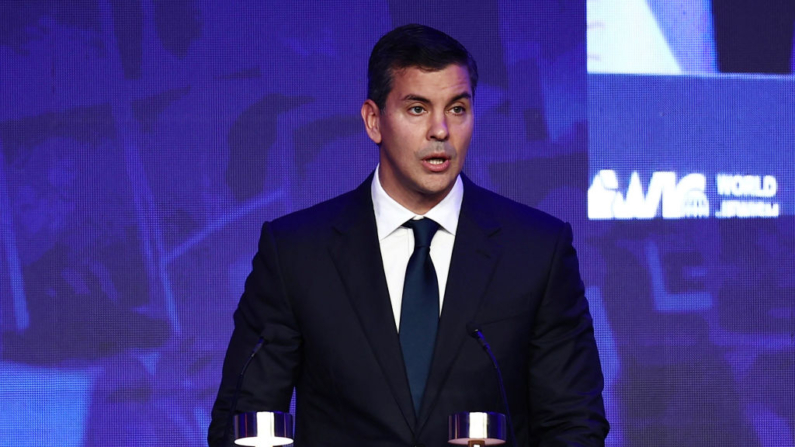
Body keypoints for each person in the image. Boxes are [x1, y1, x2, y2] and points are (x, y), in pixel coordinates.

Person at [209, 24, 608, 447]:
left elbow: (573, 424)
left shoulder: (536, 249)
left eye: (457, 109)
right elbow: (244, 422)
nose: (441, 130)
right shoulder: (297, 252)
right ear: (373, 120)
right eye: (418, 109)